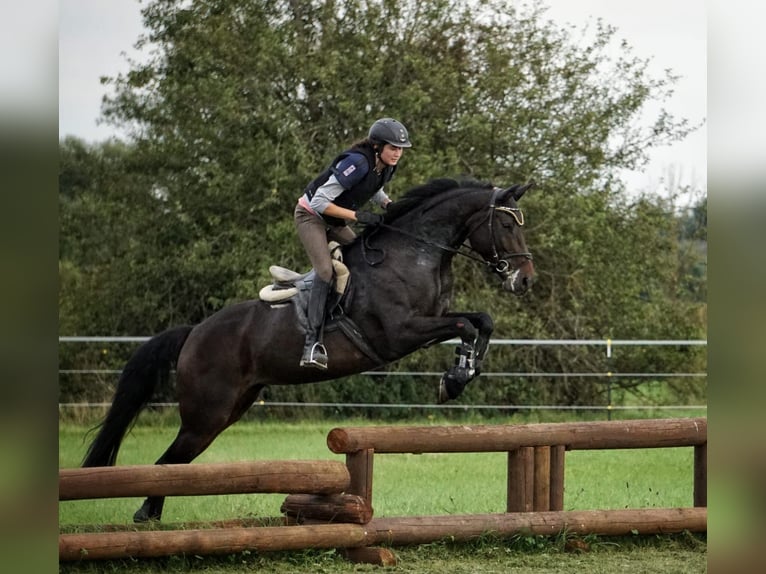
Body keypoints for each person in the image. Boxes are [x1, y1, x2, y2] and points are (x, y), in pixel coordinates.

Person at [294, 117, 412, 369]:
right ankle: (311, 344)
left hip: (334, 221)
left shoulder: (387, 166)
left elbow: (373, 186)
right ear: (377, 146)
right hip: (311, 217)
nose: (398, 153)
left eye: (400, 148)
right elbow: (318, 203)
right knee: (325, 272)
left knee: (366, 255)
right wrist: (357, 216)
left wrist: (388, 205)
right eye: (393, 148)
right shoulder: (357, 162)